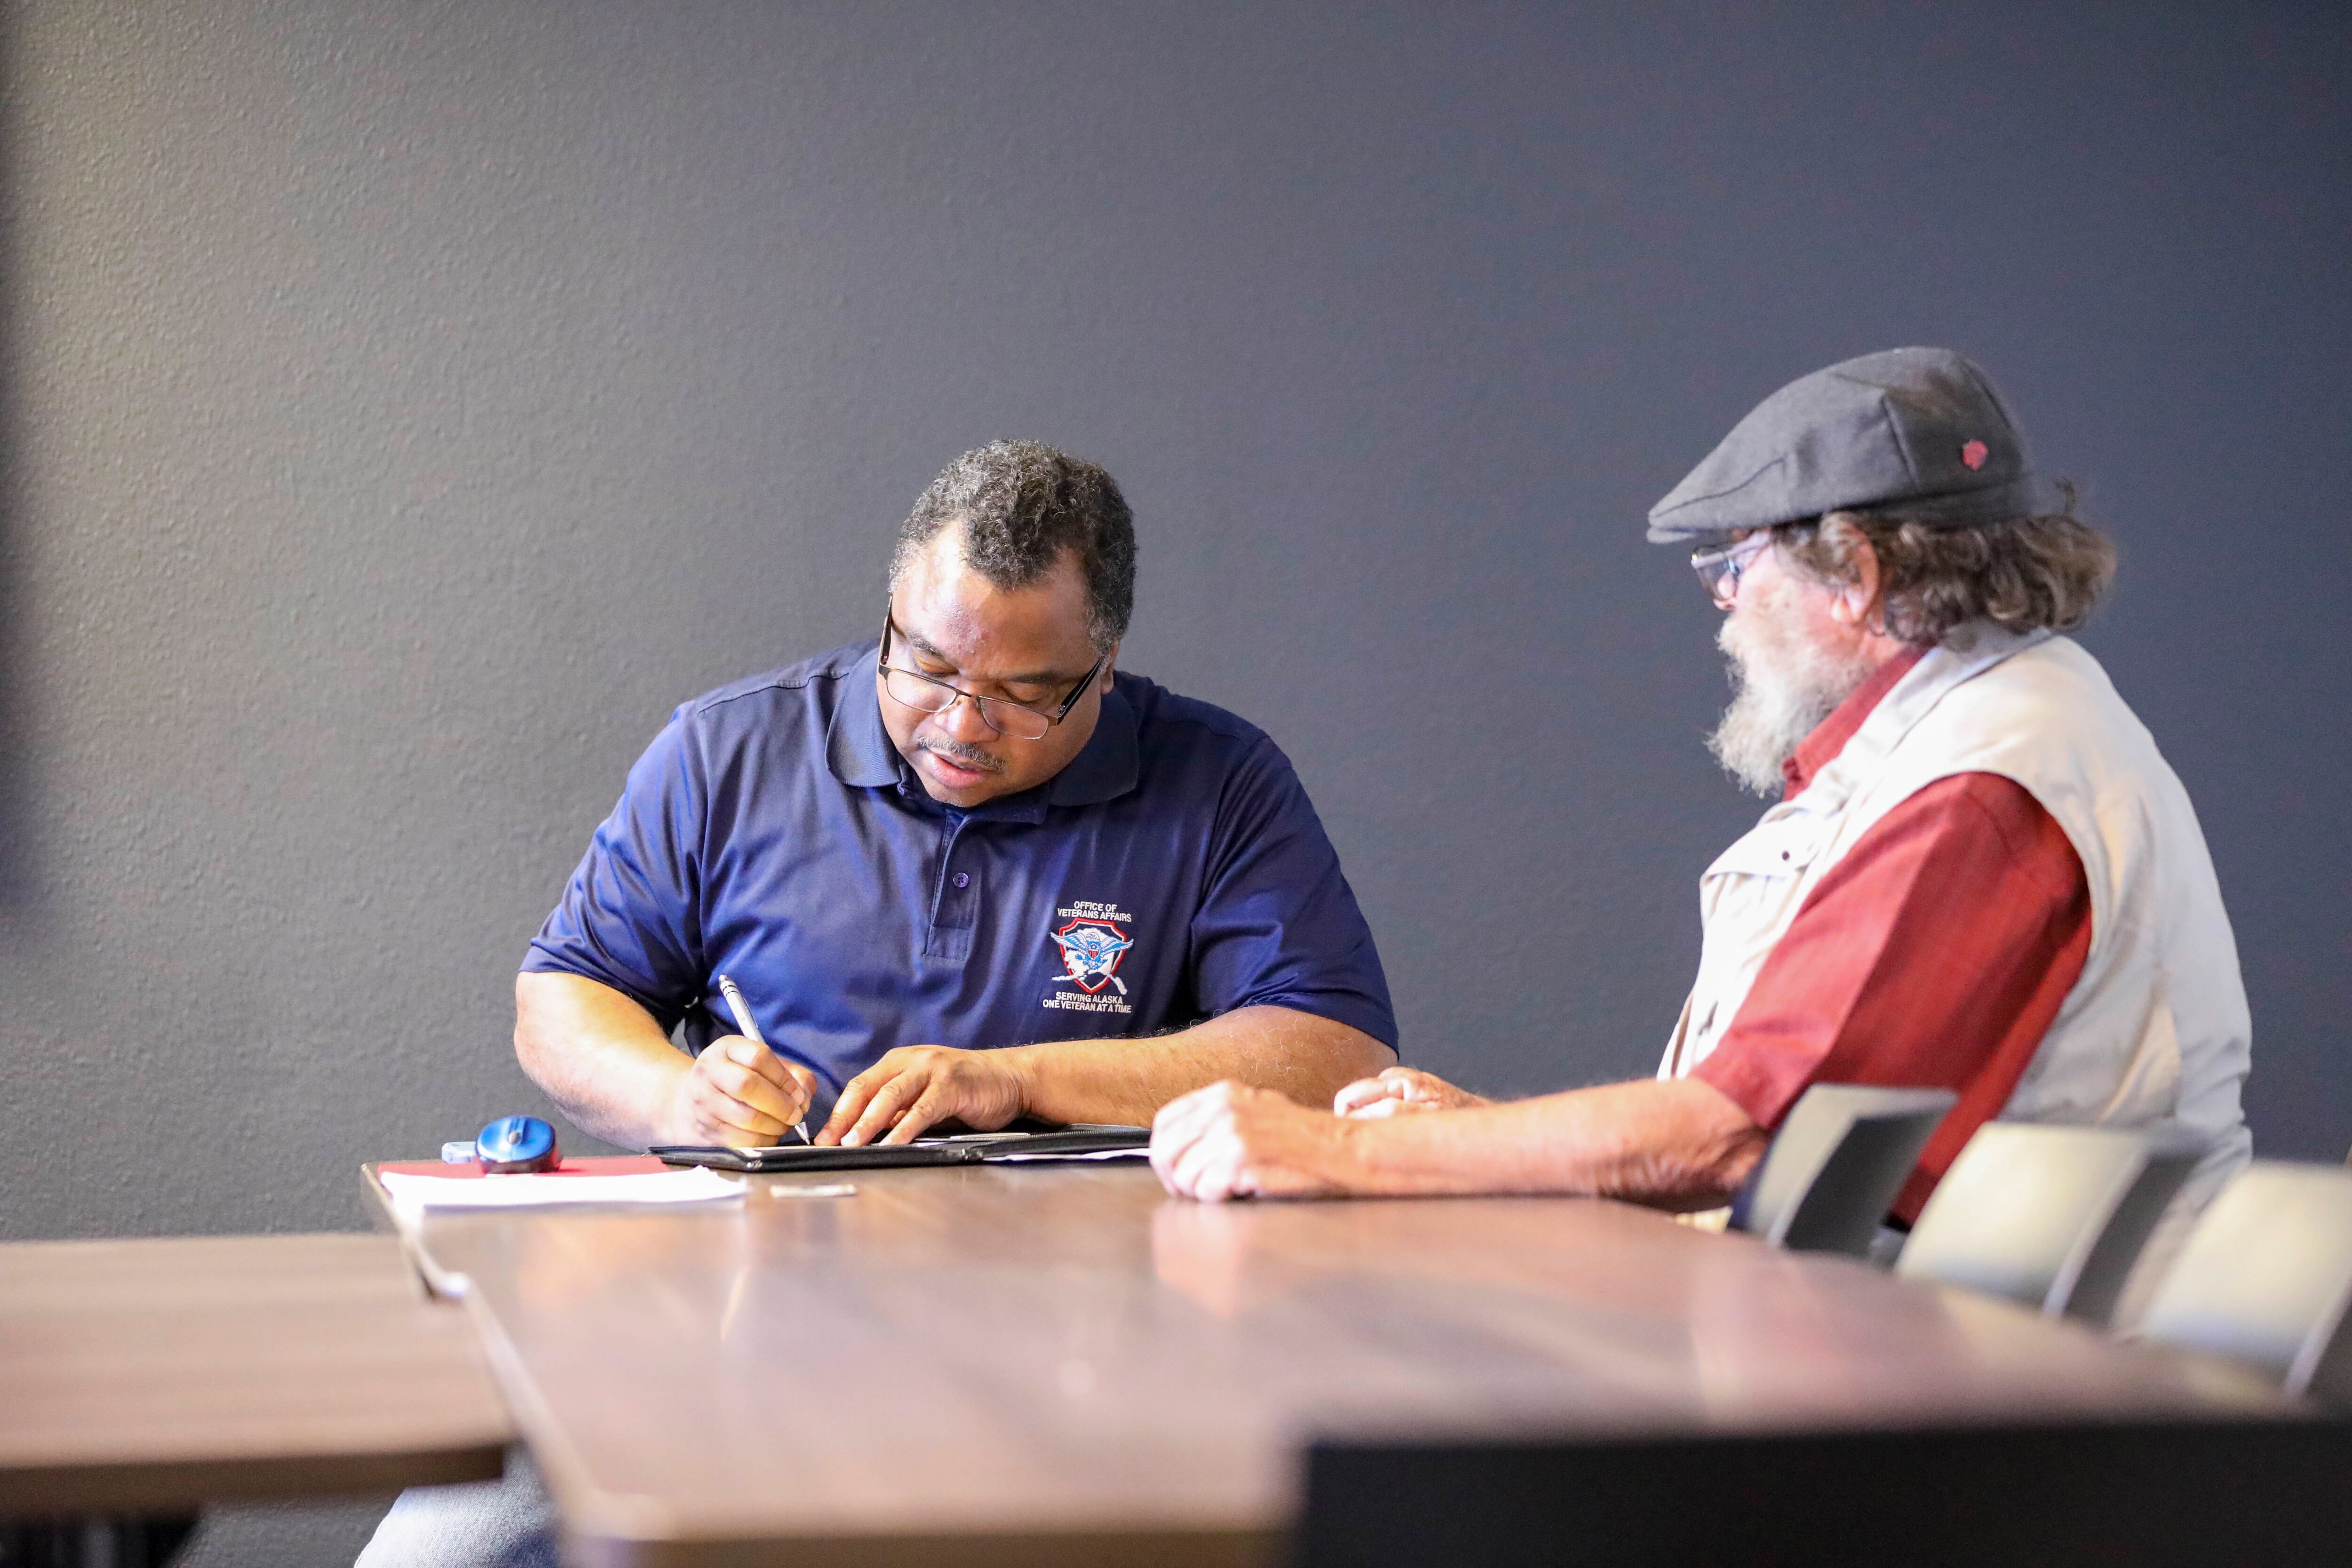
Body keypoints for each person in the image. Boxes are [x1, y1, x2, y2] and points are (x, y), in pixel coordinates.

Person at [1150, 347, 2252, 1312]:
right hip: (1910, 1348)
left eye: (1736, 564)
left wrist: (1334, 1149)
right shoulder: (1961, 739)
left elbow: (1739, 1132)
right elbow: (1766, 1138)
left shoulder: (1983, 782)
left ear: (1855, 574)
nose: (1722, 602)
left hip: (2027, 1414)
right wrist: (1468, 1137)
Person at [517, 438, 1396, 1150]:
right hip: (769, 1277)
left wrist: (1020, 1078)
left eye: (1022, 692)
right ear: (892, 611)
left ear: (1105, 667)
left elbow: (1335, 1052)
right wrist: (681, 1102)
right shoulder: (726, 751)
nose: (961, 725)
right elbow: (564, 995)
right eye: (929, 667)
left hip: (1095, 1297)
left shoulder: (1220, 780)